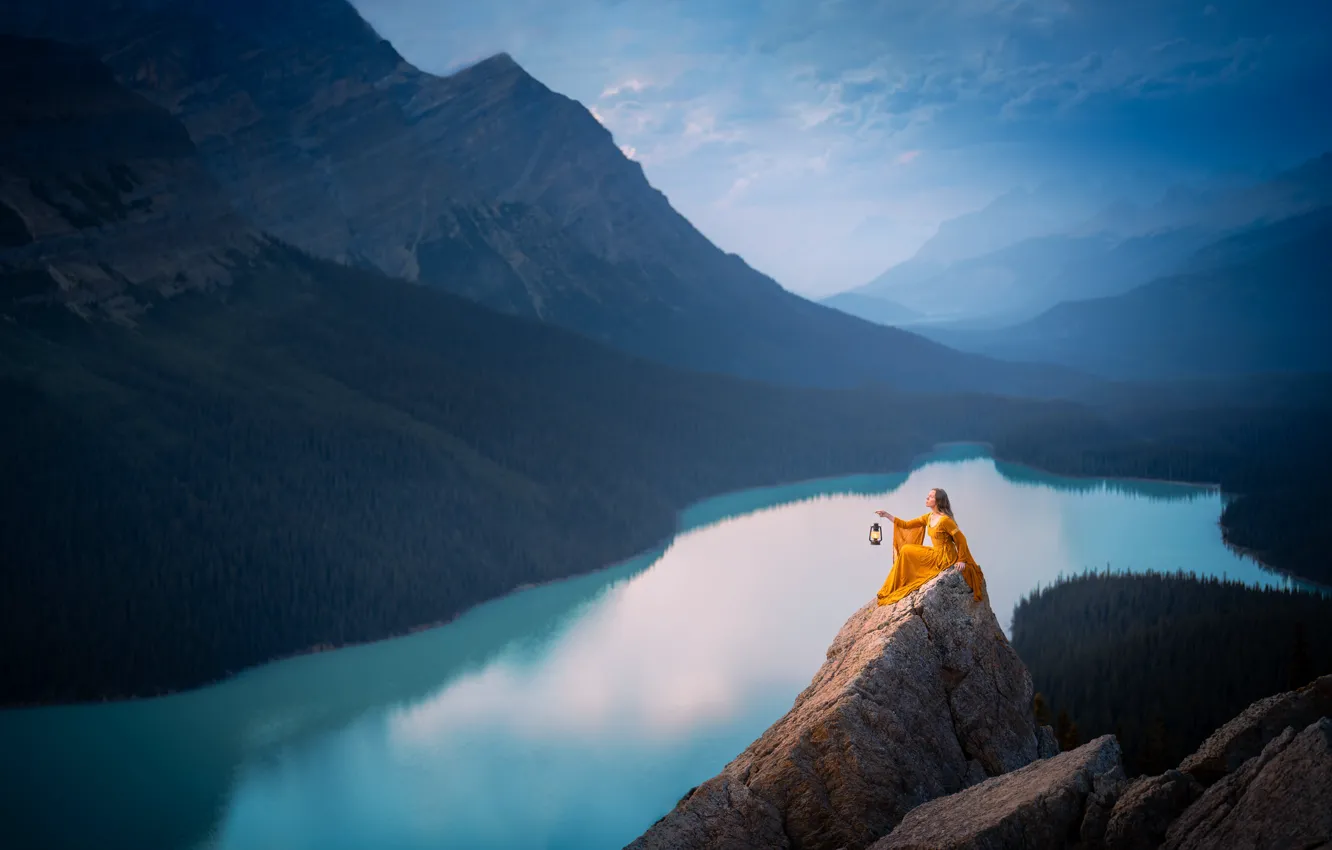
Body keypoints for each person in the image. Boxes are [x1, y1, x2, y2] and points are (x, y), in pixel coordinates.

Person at [873, 487, 985, 605]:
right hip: (935, 553)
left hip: (945, 558)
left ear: (938, 501)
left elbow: (961, 539)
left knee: (906, 550)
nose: (927, 498)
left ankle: (902, 582)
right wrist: (886, 515)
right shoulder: (929, 517)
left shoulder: (945, 521)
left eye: (930, 497)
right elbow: (906, 524)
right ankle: (898, 582)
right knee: (906, 550)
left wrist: (962, 560)